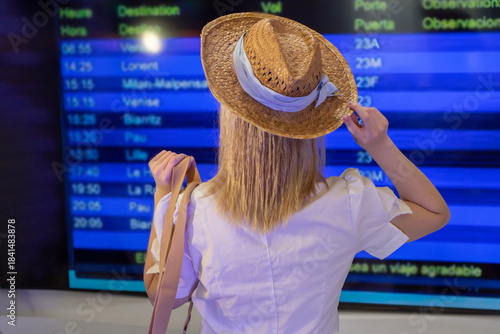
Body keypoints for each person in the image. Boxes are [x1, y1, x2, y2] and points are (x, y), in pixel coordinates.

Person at [144, 12, 451, 333]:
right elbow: (434, 212)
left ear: (231, 116)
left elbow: (162, 295)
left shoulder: (194, 210)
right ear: (310, 126)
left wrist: (164, 196)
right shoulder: (349, 201)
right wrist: (380, 145)